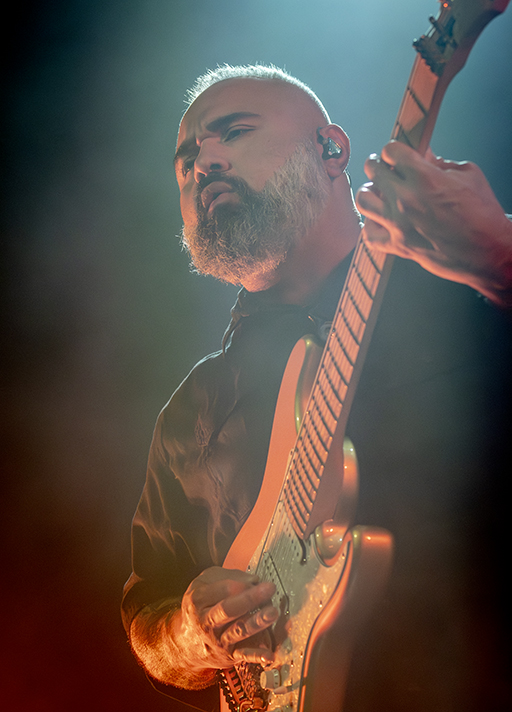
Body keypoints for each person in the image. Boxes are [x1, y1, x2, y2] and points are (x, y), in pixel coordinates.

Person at [122, 64, 512, 711]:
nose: (204, 162)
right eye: (186, 160)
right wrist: (189, 636)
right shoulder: (189, 412)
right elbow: (148, 611)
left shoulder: (460, 283)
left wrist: (498, 256)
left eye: (234, 132)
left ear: (331, 150)